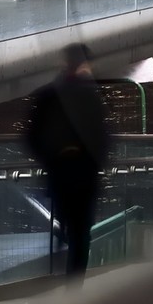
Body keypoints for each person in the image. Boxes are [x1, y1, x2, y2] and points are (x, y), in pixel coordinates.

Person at [26, 44, 111, 278]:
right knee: (82, 231)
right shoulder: (92, 96)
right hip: (85, 176)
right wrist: (95, 165)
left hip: (59, 172)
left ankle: (61, 246)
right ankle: (74, 283)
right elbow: (103, 137)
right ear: (85, 64)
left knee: (64, 219)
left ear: (64, 62)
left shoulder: (48, 95)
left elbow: (31, 136)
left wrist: (49, 160)